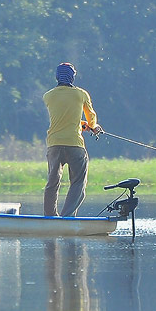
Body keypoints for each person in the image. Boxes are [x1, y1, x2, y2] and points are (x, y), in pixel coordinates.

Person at [43, 62, 103, 217]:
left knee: (52, 183)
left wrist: (79, 123)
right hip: (75, 145)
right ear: (72, 77)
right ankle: (67, 217)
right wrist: (93, 126)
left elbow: (61, 116)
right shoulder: (81, 94)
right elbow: (91, 119)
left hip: (54, 144)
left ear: (57, 77)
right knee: (78, 183)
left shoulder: (48, 96)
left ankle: (50, 217)